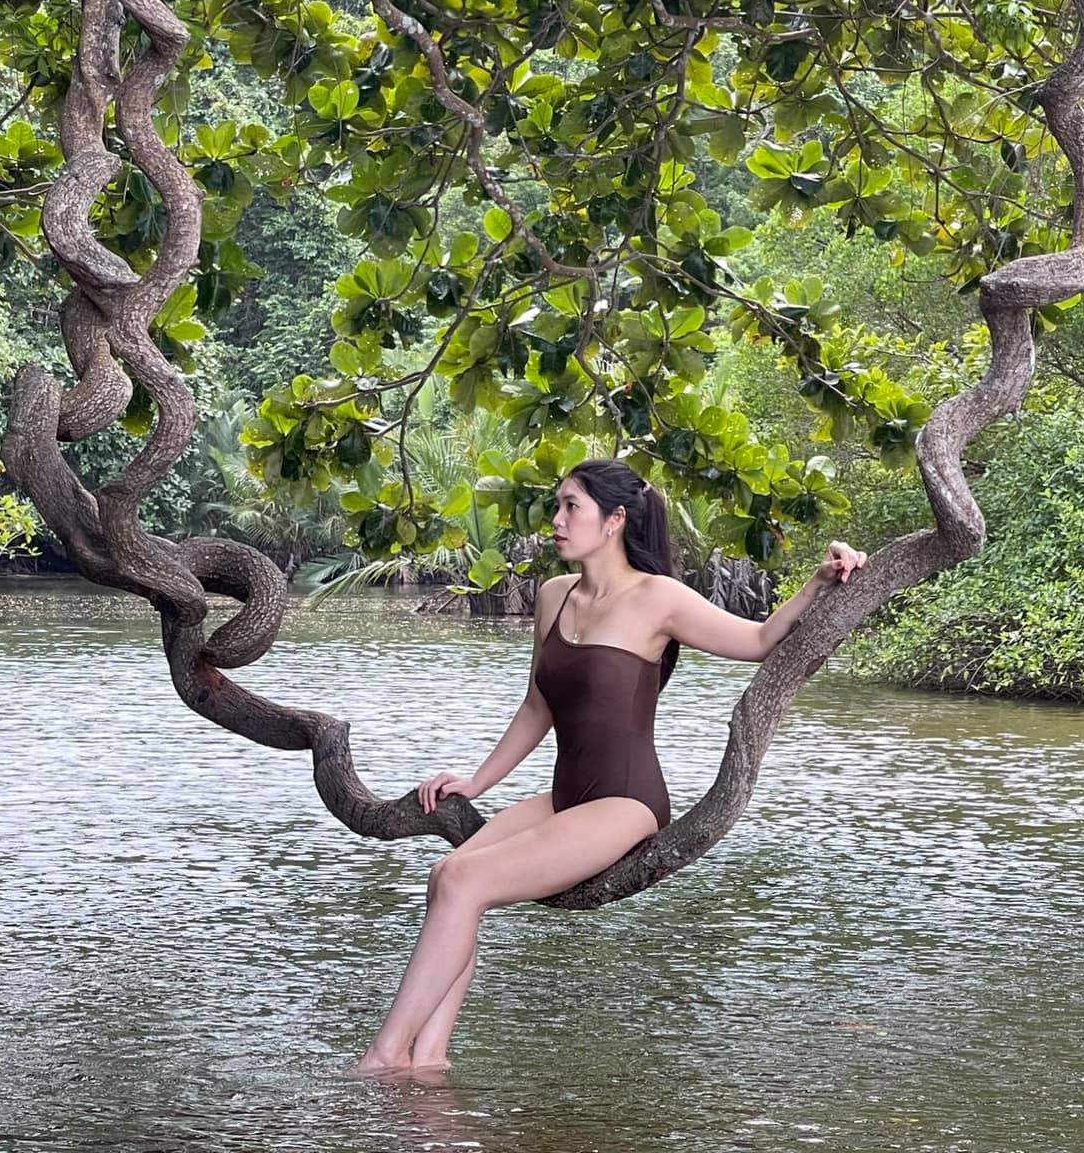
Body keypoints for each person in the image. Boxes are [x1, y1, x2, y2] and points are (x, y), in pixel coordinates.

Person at [355, 457, 869, 1075]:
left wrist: (819, 581)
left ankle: (384, 1058)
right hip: (565, 794)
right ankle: (428, 1061)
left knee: (467, 884)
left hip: (625, 801)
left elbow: (757, 641)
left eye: (572, 506)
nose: (557, 519)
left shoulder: (659, 599)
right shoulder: (552, 596)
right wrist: (477, 781)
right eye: (557, 505)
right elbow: (537, 704)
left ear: (615, 520)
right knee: (448, 875)